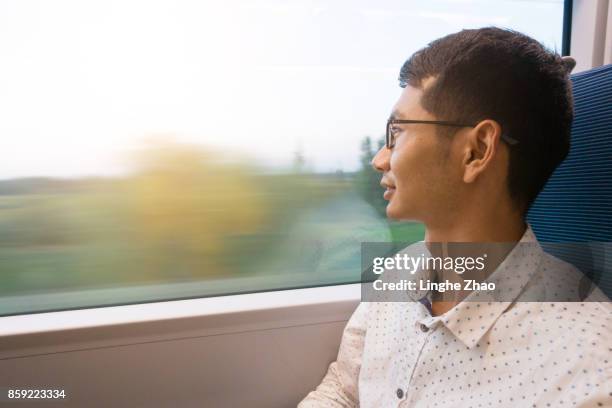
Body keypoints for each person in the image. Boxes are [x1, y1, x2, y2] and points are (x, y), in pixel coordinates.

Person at [298, 27, 611, 407]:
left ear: (476, 151)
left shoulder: (588, 374)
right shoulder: (398, 273)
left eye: (396, 132)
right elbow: (343, 391)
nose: (379, 159)